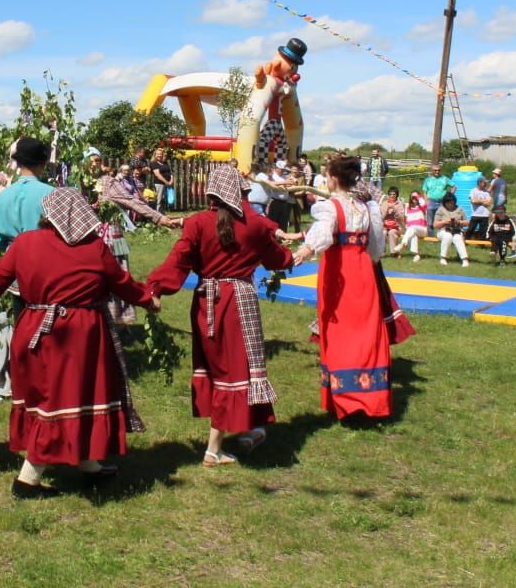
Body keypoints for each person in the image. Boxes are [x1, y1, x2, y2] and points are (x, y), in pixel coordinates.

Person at [0, 188, 156, 498]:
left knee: (60, 398)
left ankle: (89, 466)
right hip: (77, 337)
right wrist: (149, 298)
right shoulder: (94, 248)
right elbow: (122, 284)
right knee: (60, 400)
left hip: (34, 331)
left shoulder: (25, 243)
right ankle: (28, 479)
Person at [146, 165, 294, 466]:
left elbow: (178, 261)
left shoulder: (198, 223)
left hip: (206, 302)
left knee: (218, 368)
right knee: (237, 369)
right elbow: (277, 258)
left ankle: (250, 428)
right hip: (237, 303)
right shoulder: (251, 227)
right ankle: (213, 449)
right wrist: (295, 254)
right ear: (240, 192)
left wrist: (155, 289)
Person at [291, 155, 394, 421]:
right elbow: (375, 247)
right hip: (362, 271)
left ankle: (346, 400)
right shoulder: (365, 208)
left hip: (339, 272)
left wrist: (305, 249)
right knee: (366, 330)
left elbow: (324, 232)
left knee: (339, 330)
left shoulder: (331, 206)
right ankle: (369, 396)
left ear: (333, 178)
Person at [0, 137, 52, 252]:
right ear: (42, 165)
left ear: (17, 164)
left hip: (12, 260)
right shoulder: (52, 194)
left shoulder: (1, 196)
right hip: (43, 257)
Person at [434, 192, 470, 267]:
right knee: (448, 236)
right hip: (443, 230)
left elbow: (467, 222)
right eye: (448, 203)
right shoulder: (440, 209)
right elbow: (435, 225)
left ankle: (464, 259)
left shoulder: (459, 209)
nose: (451, 205)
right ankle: (443, 258)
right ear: (445, 203)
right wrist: (444, 222)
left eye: (452, 203)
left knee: (458, 237)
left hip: (457, 230)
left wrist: (459, 222)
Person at [392, 191, 428, 262]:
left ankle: (402, 244)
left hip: (422, 230)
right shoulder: (408, 208)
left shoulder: (422, 207)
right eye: (412, 197)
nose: (414, 199)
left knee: (413, 228)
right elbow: (406, 222)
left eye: (416, 197)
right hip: (412, 230)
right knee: (413, 234)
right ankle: (416, 255)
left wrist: (417, 195)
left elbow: (423, 203)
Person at [422, 164, 452, 237]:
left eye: (438, 170)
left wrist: (450, 196)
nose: (437, 172)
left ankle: (443, 236)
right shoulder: (427, 180)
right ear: (432, 171)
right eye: (435, 170)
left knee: (444, 219)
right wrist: (426, 200)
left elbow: (454, 186)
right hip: (431, 201)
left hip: (442, 202)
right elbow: (424, 191)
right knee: (430, 221)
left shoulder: (444, 178)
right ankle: (431, 238)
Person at [379, 187, 405, 255]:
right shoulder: (384, 204)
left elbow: (402, 218)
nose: (392, 196)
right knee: (383, 232)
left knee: (391, 232)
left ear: (397, 195)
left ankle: (393, 252)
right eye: (390, 194)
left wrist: (395, 210)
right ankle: (382, 252)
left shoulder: (399, 204)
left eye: (394, 194)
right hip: (385, 226)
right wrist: (386, 212)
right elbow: (381, 218)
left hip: (397, 227)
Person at [149, 147, 174, 212]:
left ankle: (162, 213)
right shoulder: (154, 163)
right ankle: (157, 214)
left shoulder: (165, 163)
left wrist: (171, 181)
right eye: (158, 154)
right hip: (159, 184)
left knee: (164, 199)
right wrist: (166, 182)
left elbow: (170, 172)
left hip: (167, 184)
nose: (159, 155)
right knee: (158, 200)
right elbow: (157, 175)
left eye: (161, 154)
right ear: (155, 155)